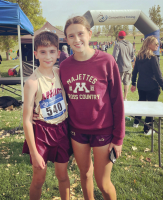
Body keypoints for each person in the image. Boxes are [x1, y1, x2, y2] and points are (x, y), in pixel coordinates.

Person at [60, 16, 125, 200]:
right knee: (85, 174)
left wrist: (118, 138)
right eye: (71, 36)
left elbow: (117, 102)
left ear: (89, 34)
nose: (77, 39)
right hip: (77, 131)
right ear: (66, 39)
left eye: (81, 34)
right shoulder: (64, 67)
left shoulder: (106, 60)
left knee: (103, 183)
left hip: (103, 131)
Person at [22, 31, 72, 200]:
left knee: (63, 175)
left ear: (58, 53)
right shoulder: (32, 82)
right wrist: (34, 152)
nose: (47, 56)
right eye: (43, 52)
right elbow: (27, 119)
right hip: (41, 133)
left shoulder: (60, 72)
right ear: (36, 54)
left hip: (62, 129)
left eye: (52, 51)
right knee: (39, 179)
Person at [131, 36, 163, 135]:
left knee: (141, 104)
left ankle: (136, 122)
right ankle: (147, 129)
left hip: (141, 85)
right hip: (152, 86)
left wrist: (134, 83)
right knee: (150, 108)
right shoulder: (153, 58)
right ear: (149, 44)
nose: (158, 45)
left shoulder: (139, 56)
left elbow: (134, 72)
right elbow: (158, 76)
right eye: (156, 44)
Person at [112, 30, 134, 101]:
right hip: (129, 67)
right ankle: (125, 97)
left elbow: (114, 57)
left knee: (119, 83)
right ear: (125, 37)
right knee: (127, 82)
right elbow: (132, 56)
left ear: (118, 37)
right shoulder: (130, 44)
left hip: (120, 67)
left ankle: (120, 98)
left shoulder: (118, 45)